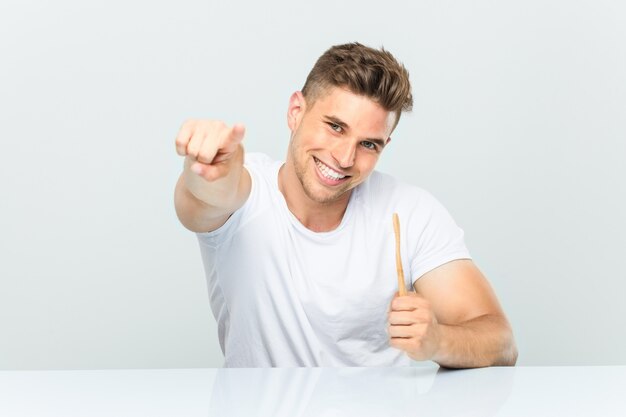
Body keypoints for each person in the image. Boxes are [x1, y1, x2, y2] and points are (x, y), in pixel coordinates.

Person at [174, 42, 518, 368]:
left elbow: (500, 342)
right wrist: (208, 170)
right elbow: (207, 197)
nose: (344, 158)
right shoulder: (246, 193)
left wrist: (438, 341)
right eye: (335, 127)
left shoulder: (410, 212)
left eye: (368, 144)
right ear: (296, 111)